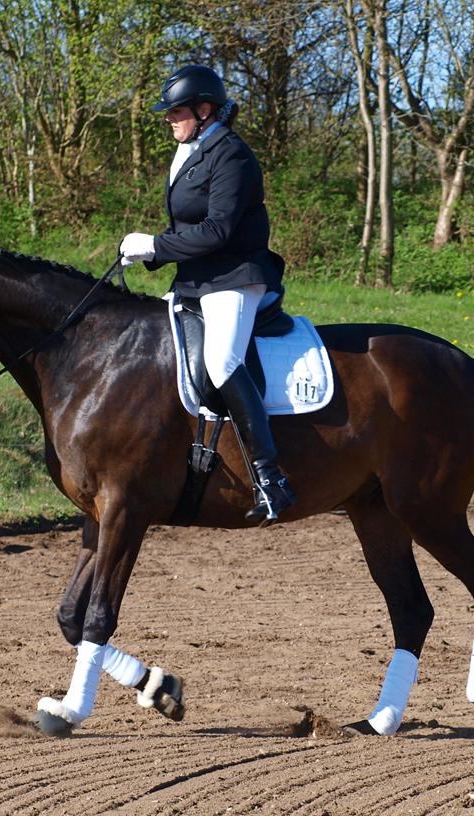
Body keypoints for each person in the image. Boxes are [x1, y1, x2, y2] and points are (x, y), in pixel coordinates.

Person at [119, 64, 296, 526]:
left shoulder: (231, 154)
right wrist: (151, 253)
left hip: (236, 275)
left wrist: (154, 247)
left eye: (176, 111)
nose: (168, 118)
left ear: (204, 110)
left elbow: (217, 231)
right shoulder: (193, 150)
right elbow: (186, 227)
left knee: (221, 363)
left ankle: (270, 477)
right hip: (197, 279)